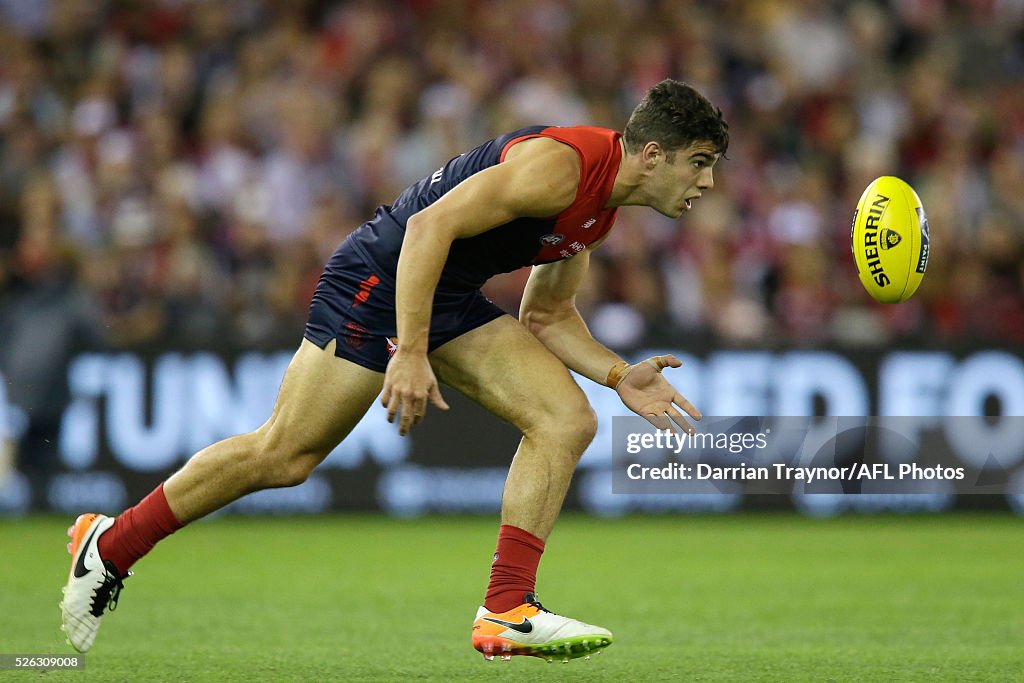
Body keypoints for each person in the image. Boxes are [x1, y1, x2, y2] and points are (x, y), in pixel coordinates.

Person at [61, 79, 728, 661]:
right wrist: (408, 351)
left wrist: (617, 375)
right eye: (698, 163)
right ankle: (112, 542)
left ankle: (506, 609)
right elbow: (427, 230)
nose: (707, 182)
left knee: (565, 419)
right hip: (381, 279)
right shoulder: (559, 168)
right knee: (285, 455)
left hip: (446, 293)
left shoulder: (600, 210)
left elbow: (548, 315)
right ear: (650, 155)